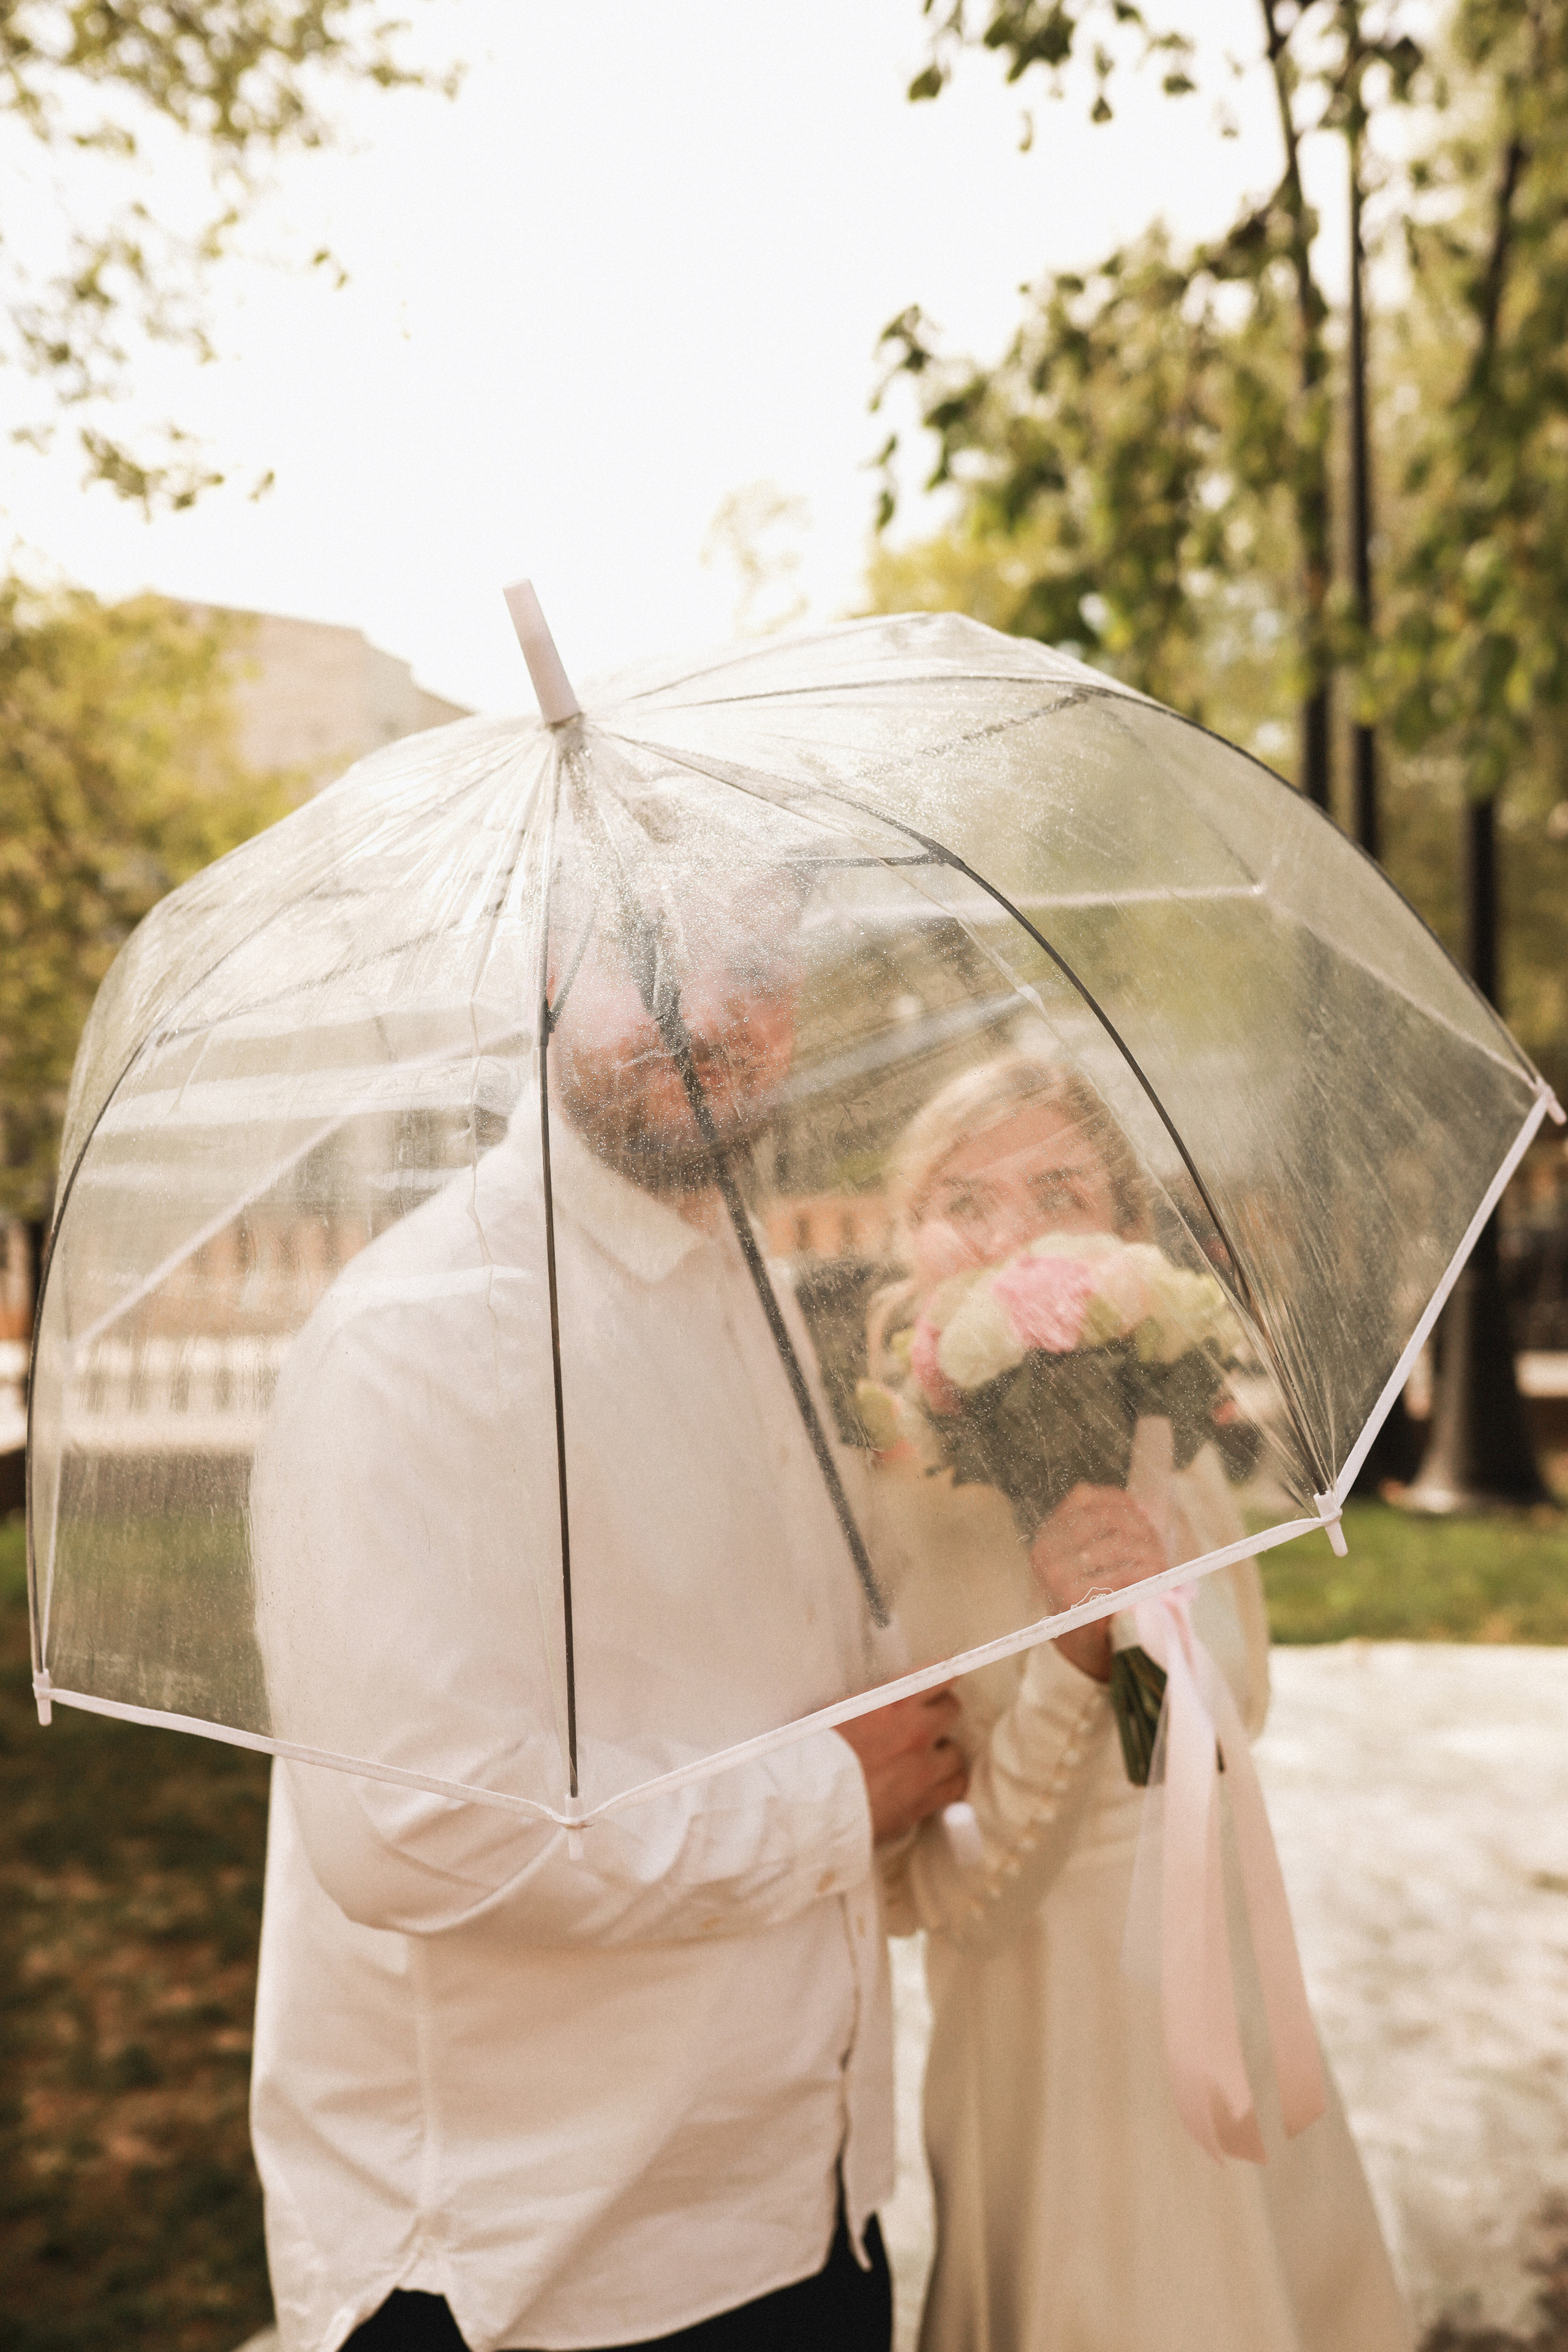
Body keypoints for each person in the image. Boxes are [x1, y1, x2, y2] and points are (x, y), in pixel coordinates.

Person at [247, 845, 966, 2352]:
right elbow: (416, 1830)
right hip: (547, 2275)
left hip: (808, 2211)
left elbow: (788, 1669)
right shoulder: (416, 1342)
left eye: (753, 969)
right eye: (644, 952)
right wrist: (834, 1801)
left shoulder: (750, 1283)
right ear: (538, 974)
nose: (705, 1010)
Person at [871, 1052, 1412, 2352]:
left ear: (1124, 1230)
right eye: (967, 1195)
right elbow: (926, 1890)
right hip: (1050, 2058)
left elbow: (1241, 1718)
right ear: (911, 1232)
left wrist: (1157, 1630)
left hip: (1218, 1995)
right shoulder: (888, 1512)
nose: (1014, 1229)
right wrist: (1071, 1666)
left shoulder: (1163, 1450)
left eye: (1059, 1186)